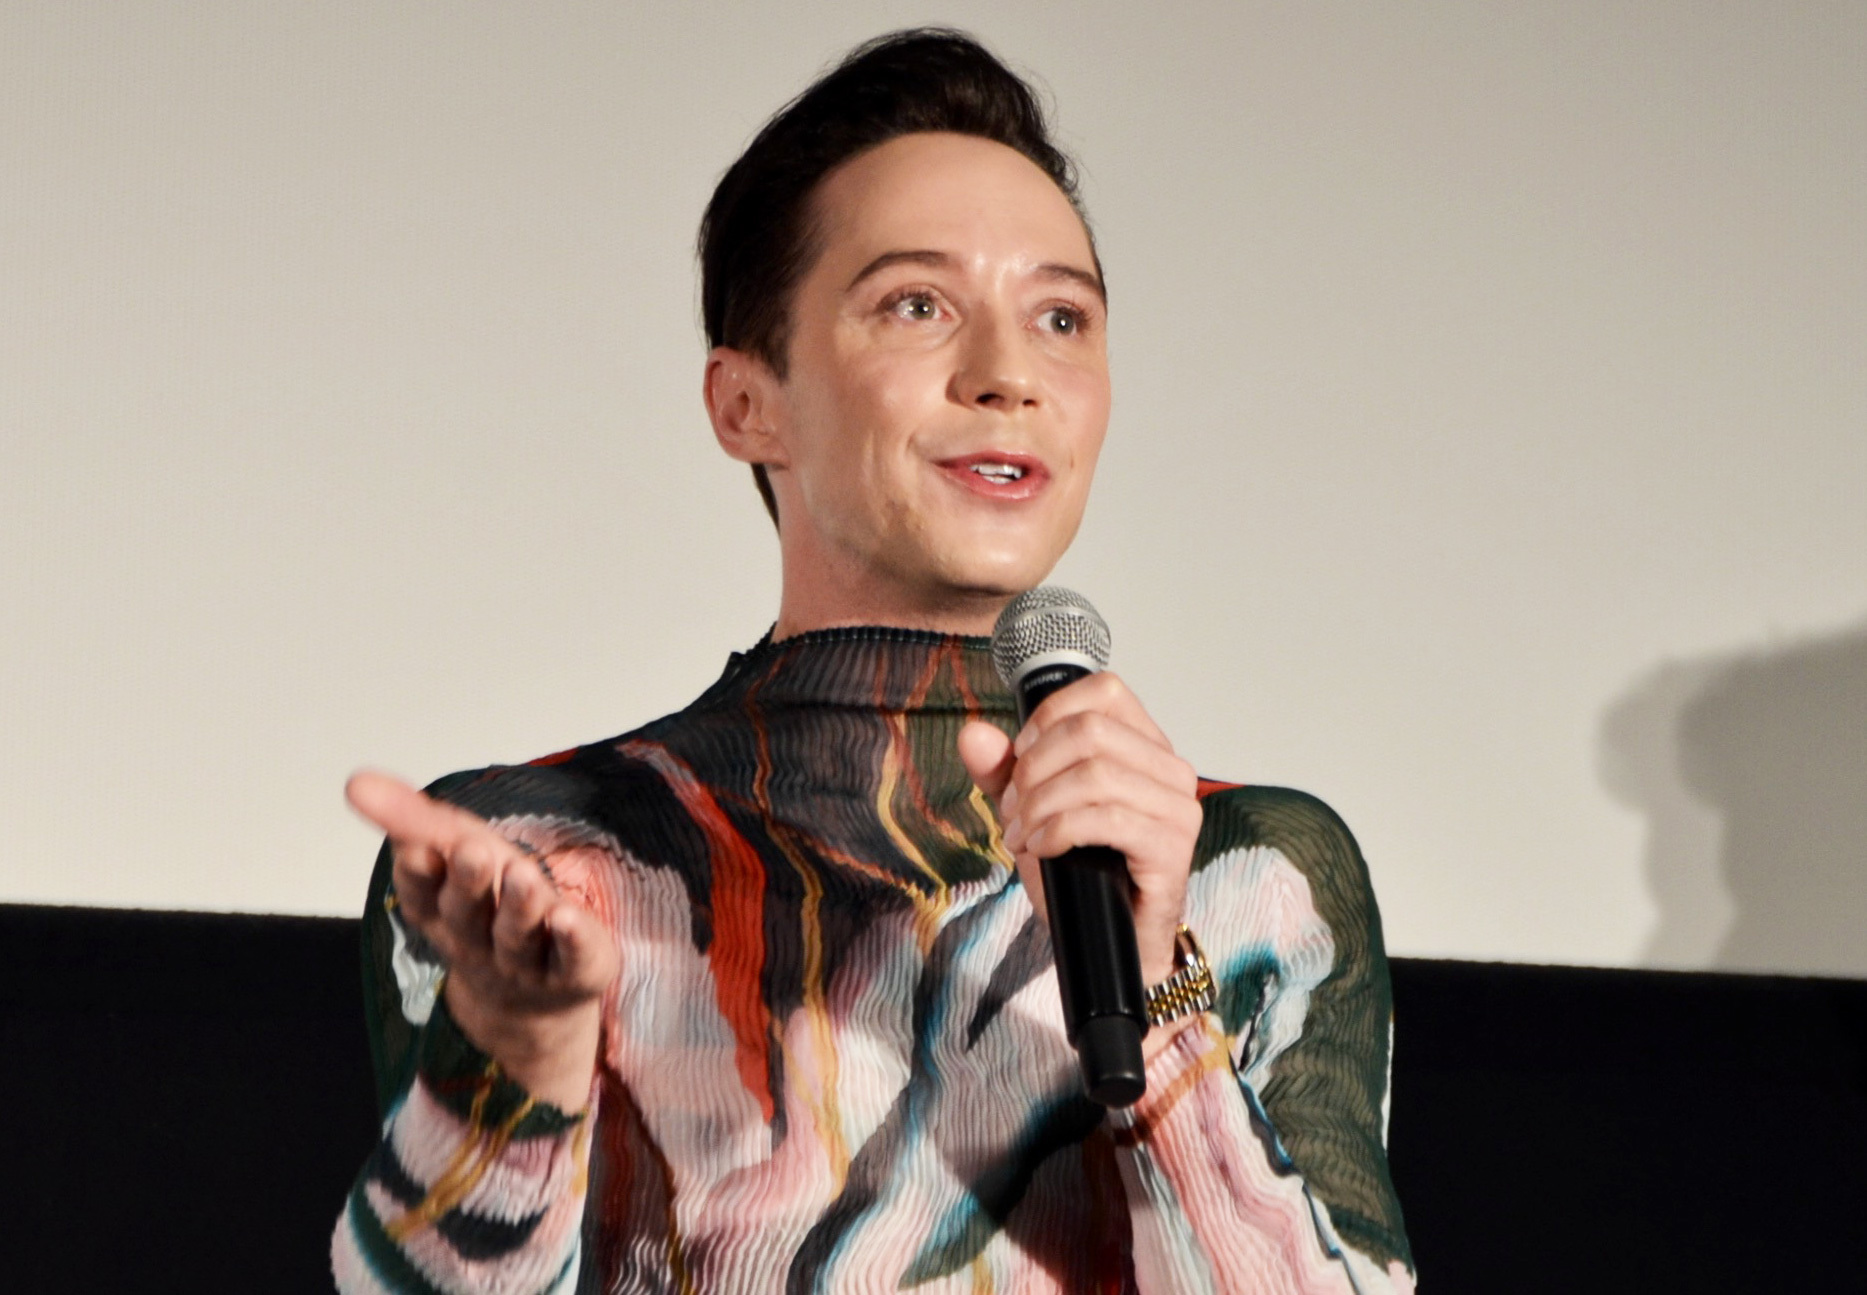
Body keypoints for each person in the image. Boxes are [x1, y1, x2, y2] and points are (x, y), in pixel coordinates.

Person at [332, 28, 1414, 1294]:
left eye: (1061, 317)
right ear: (747, 403)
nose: (1008, 376)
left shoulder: (1253, 870)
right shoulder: (540, 856)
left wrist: (1159, 993)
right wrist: (514, 1055)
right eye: (917, 305)